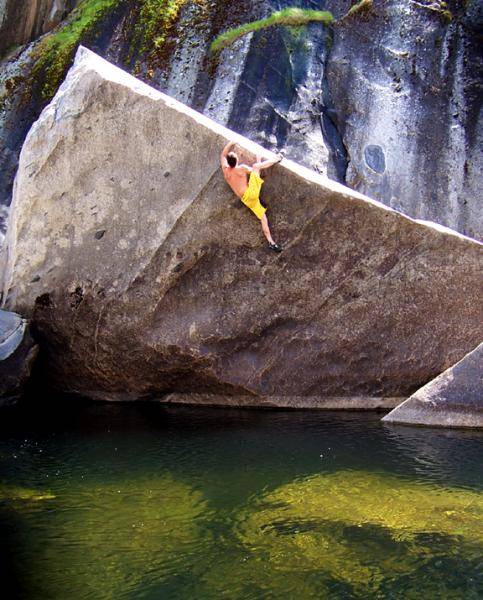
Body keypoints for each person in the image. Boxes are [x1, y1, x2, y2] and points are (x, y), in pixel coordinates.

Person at [220, 140, 283, 252]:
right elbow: (254, 171)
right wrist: (258, 160)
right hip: (251, 193)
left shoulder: (225, 171)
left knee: (263, 217)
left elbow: (223, 155)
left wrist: (230, 143)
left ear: (228, 163)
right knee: (256, 166)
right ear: (237, 161)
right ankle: (277, 158)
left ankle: (271, 242)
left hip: (246, 200)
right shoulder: (241, 168)